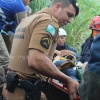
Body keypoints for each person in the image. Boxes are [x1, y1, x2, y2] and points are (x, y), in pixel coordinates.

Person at [2, 0, 79, 100]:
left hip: (11, 88)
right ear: (57, 7)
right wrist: (68, 80)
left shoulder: (30, 18)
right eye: (69, 15)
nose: (70, 20)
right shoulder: (49, 22)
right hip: (24, 92)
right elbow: (36, 60)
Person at [79, 16, 100, 100]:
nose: (97, 34)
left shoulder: (95, 44)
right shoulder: (87, 43)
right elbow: (82, 56)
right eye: (95, 32)